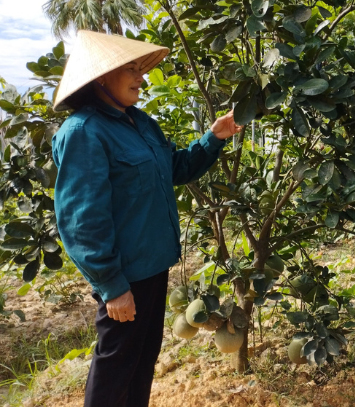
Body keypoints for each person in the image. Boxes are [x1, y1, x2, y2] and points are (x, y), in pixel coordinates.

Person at [50, 31, 244, 407]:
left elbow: (176, 167)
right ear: (102, 76)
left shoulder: (140, 123)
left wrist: (214, 137)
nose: (142, 77)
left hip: (154, 267)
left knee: (141, 362)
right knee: (115, 367)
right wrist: (111, 285)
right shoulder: (84, 132)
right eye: (132, 69)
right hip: (125, 277)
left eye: (141, 69)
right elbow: (81, 220)